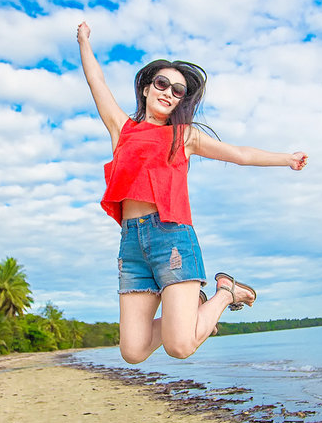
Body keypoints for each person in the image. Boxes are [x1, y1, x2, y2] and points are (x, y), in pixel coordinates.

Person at [76, 20, 308, 363]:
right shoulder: (122, 130)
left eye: (178, 90)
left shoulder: (184, 136)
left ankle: (225, 293)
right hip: (131, 244)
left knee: (179, 346)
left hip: (171, 238)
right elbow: (96, 80)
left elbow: (240, 154)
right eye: (162, 83)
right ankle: (185, 312)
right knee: (133, 351)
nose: (168, 92)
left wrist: (286, 158)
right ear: (146, 88)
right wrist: (83, 41)